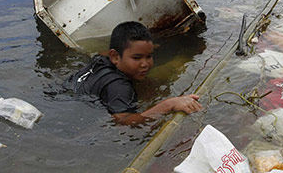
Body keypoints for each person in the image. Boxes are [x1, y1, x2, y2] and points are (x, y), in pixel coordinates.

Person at [67, 21, 202, 125]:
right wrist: (169, 104)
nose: (145, 64)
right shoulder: (119, 86)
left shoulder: (101, 59)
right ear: (114, 56)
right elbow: (123, 120)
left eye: (149, 56)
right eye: (137, 58)